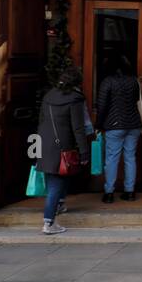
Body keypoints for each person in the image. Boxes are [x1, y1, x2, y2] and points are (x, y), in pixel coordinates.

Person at [35, 65, 92, 236]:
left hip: (45, 144)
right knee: (56, 183)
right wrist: (84, 151)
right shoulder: (74, 99)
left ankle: (59, 204)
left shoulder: (48, 96)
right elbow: (78, 128)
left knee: (59, 177)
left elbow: (41, 121)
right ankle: (48, 222)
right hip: (62, 146)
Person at [97, 53, 142, 203]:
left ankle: (109, 193)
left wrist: (98, 124)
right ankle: (130, 192)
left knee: (112, 159)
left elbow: (102, 105)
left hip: (114, 125)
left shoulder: (107, 82)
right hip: (133, 124)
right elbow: (137, 100)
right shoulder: (133, 81)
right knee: (130, 158)